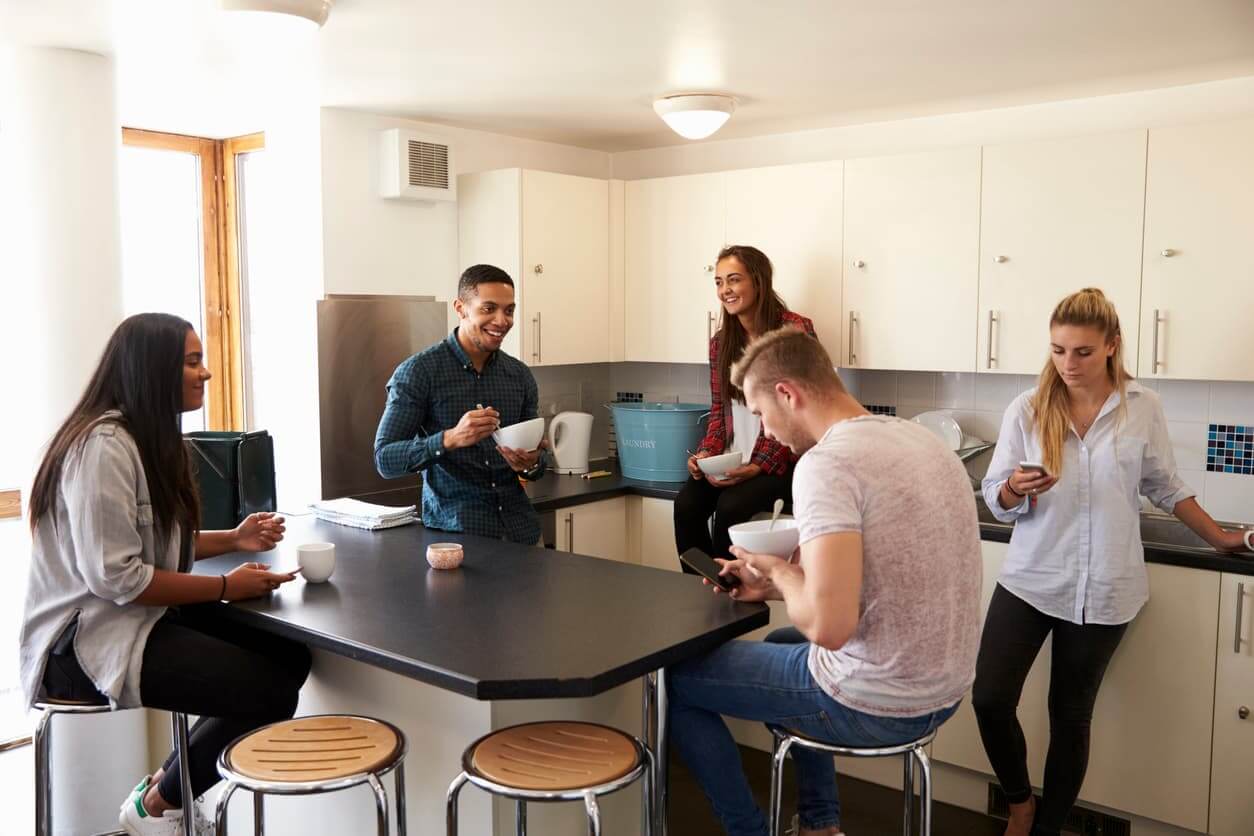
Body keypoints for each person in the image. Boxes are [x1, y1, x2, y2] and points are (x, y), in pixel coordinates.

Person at [667, 327, 982, 836]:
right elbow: (877, 577)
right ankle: (820, 825)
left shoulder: (826, 464)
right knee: (782, 637)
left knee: (675, 683)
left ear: (788, 393)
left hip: (878, 701)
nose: (765, 431)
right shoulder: (920, 440)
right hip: (944, 689)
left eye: (761, 414)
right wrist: (773, 584)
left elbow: (830, 629)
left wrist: (783, 572)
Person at [19, 313, 310, 836]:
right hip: (79, 647)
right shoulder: (103, 447)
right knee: (268, 690)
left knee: (291, 656)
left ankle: (162, 791)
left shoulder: (146, 440)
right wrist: (226, 586)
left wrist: (233, 539)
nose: (207, 373)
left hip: (133, 619)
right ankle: (159, 805)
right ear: (152, 371)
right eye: (193, 362)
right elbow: (119, 578)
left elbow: (152, 546)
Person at [974, 288, 1248, 836]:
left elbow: (1163, 485)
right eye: (1057, 350)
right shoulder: (1026, 408)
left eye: (1081, 351)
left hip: (1105, 588)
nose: (1067, 364)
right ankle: (1019, 801)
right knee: (989, 698)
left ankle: (1045, 827)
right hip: (1031, 579)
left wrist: (1220, 536)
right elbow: (993, 498)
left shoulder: (1141, 406)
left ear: (1111, 346)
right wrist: (1013, 488)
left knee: (1070, 718)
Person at [375, 264, 547, 545]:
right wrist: (450, 439)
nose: (502, 320)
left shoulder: (519, 375)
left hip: (522, 534)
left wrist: (530, 463)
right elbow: (384, 458)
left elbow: (538, 465)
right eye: (488, 308)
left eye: (509, 310)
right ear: (460, 308)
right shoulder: (419, 372)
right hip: (457, 539)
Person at [674, 245, 817, 570]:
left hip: (783, 463)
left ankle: (731, 594)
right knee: (686, 504)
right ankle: (701, 584)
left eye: (734, 280)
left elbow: (795, 412)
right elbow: (718, 410)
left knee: (731, 506)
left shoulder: (793, 331)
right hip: (735, 459)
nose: (725, 290)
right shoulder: (721, 342)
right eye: (719, 282)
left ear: (758, 281)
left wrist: (757, 466)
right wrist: (706, 455)